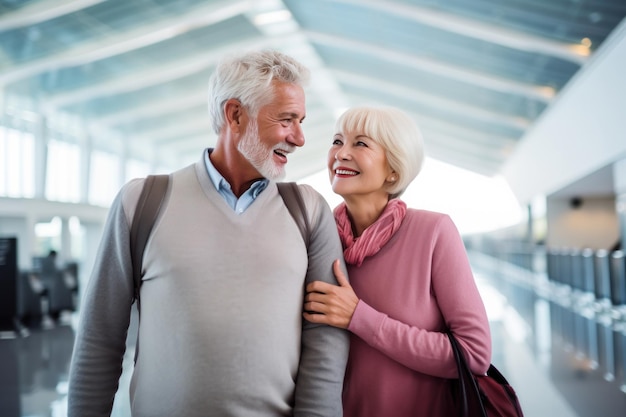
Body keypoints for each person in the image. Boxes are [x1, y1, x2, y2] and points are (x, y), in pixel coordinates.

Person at [68, 50, 350, 417]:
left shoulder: (309, 210)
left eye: (301, 121)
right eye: (286, 119)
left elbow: (325, 340)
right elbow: (99, 337)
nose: (298, 138)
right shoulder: (142, 203)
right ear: (235, 115)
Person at [303, 106, 492, 417]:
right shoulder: (318, 240)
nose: (341, 153)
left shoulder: (433, 232)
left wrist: (358, 317)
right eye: (337, 141)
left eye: (360, 144)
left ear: (393, 169)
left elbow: (474, 354)